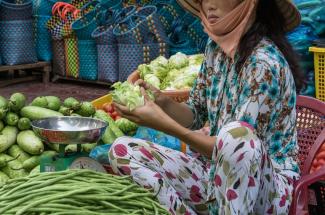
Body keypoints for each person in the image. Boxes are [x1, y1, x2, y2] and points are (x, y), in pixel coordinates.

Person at [109, 0, 305, 214]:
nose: (209, 5)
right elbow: (194, 114)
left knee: (236, 136)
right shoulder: (215, 50)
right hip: (214, 174)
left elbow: (234, 149)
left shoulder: (264, 64)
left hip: (265, 190)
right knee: (122, 150)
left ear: (248, 5)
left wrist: (164, 124)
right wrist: (159, 101)